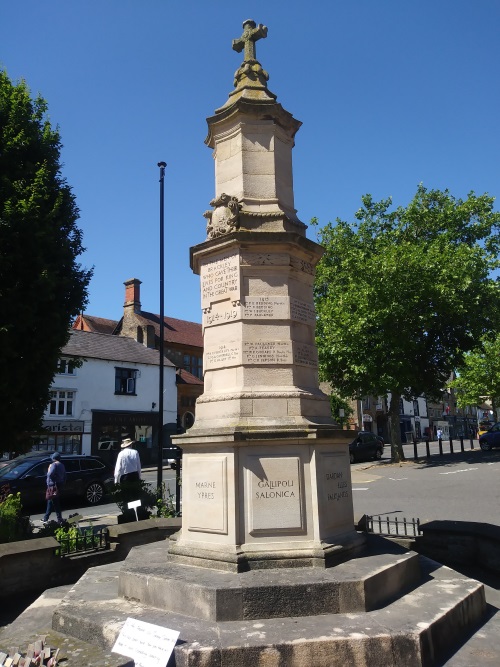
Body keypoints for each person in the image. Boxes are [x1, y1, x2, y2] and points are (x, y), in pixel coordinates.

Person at [43, 452, 67, 524]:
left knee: (55, 502)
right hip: (59, 485)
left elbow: (50, 474)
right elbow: (65, 475)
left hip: (53, 485)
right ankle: (45, 518)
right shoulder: (62, 465)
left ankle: (59, 519)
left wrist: (48, 470)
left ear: (53, 458)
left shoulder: (53, 465)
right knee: (51, 501)